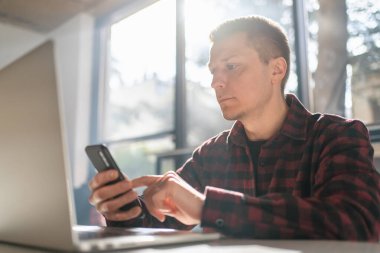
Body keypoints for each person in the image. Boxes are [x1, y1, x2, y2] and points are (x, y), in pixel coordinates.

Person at [88, 15, 380, 241]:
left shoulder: (337, 136)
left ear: (276, 70)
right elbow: (157, 223)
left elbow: (357, 223)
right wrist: (124, 211)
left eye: (231, 66)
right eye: (214, 71)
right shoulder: (211, 154)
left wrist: (205, 207)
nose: (216, 82)